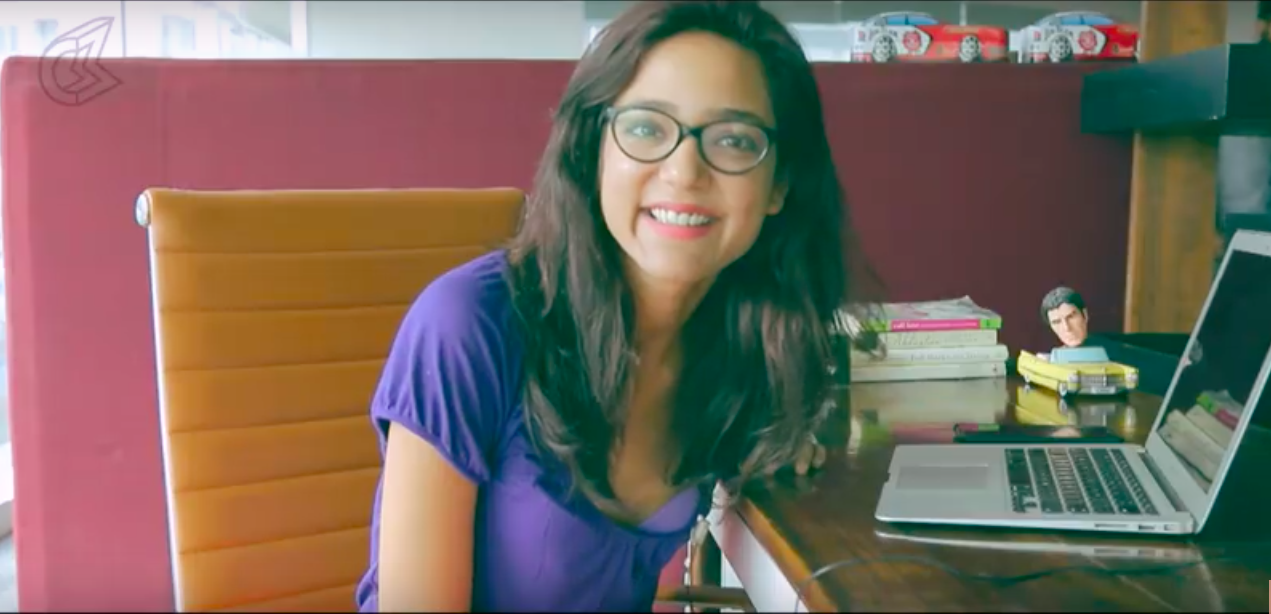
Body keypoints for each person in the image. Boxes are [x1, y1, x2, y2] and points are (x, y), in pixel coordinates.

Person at [355, 1, 877, 611]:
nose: (684, 172)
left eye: (734, 140)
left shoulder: (733, 358)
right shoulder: (468, 324)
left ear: (779, 184)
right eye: (647, 128)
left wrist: (784, 441)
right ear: (592, 149)